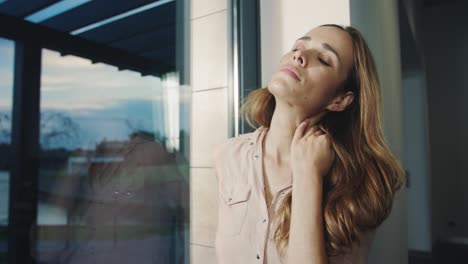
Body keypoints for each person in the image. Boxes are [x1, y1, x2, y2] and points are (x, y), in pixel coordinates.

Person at [213, 24, 405, 264]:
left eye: (324, 59)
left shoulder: (360, 183)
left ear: (340, 100)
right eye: (297, 46)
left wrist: (308, 176)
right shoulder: (228, 155)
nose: (299, 55)